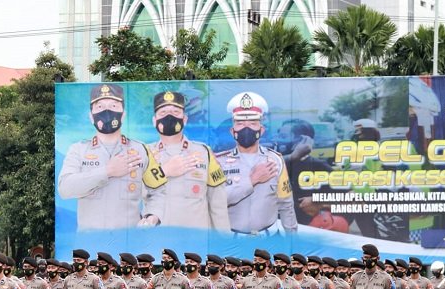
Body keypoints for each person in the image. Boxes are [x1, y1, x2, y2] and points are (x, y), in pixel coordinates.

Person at [58, 84, 157, 230]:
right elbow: (65, 189)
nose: (107, 111)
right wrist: (107, 171)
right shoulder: (78, 150)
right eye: (100, 107)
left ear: (123, 114)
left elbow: (159, 190)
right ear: (91, 117)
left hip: (129, 246)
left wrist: (152, 216)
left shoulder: (141, 150)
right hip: (90, 247)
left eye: (113, 105)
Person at [140, 90, 231, 230]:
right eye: (163, 113)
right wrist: (163, 171)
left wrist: (223, 243)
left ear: (184, 119)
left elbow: (217, 205)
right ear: (154, 121)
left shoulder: (204, 153)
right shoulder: (143, 155)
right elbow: (132, 194)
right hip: (157, 242)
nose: (169, 116)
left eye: (176, 112)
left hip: (195, 244)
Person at [217, 91, 298, 235]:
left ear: (261, 130)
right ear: (232, 131)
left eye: (253, 123)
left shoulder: (276, 160)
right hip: (232, 243)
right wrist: (252, 180)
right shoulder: (219, 162)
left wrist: (293, 242)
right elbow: (216, 202)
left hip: (269, 241)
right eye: (240, 123)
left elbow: (286, 205)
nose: (246, 128)